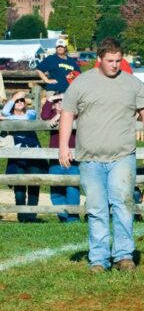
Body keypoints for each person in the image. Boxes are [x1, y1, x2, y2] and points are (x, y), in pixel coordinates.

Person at [59, 38, 144, 274]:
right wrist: (63, 146)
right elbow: (67, 115)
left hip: (122, 156)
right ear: (99, 60)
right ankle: (98, 259)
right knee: (96, 208)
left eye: (118, 61)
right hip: (90, 158)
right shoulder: (82, 83)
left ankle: (123, 256)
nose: (114, 65)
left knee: (123, 204)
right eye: (110, 61)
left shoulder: (132, 84)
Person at [2, 91, 47, 223]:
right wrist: (13, 98)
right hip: (17, 156)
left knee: (34, 184)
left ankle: (31, 217)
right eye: (17, 101)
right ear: (12, 104)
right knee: (19, 187)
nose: (20, 102)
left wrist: (7, 118)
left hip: (33, 154)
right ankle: (22, 216)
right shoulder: (7, 115)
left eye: (22, 100)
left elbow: (24, 119)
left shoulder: (30, 114)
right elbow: (5, 113)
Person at [41, 93, 80, 223]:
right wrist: (49, 99)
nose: (59, 103)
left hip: (72, 160)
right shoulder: (51, 117)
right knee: (56, 192)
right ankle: (64, 218)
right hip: (55, 161)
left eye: (62, 101)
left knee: (72, 189)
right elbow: (44, 116)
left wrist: (61, 115)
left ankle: (73, 219)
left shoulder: (74, 116)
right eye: (56, 101)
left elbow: (79, 112)